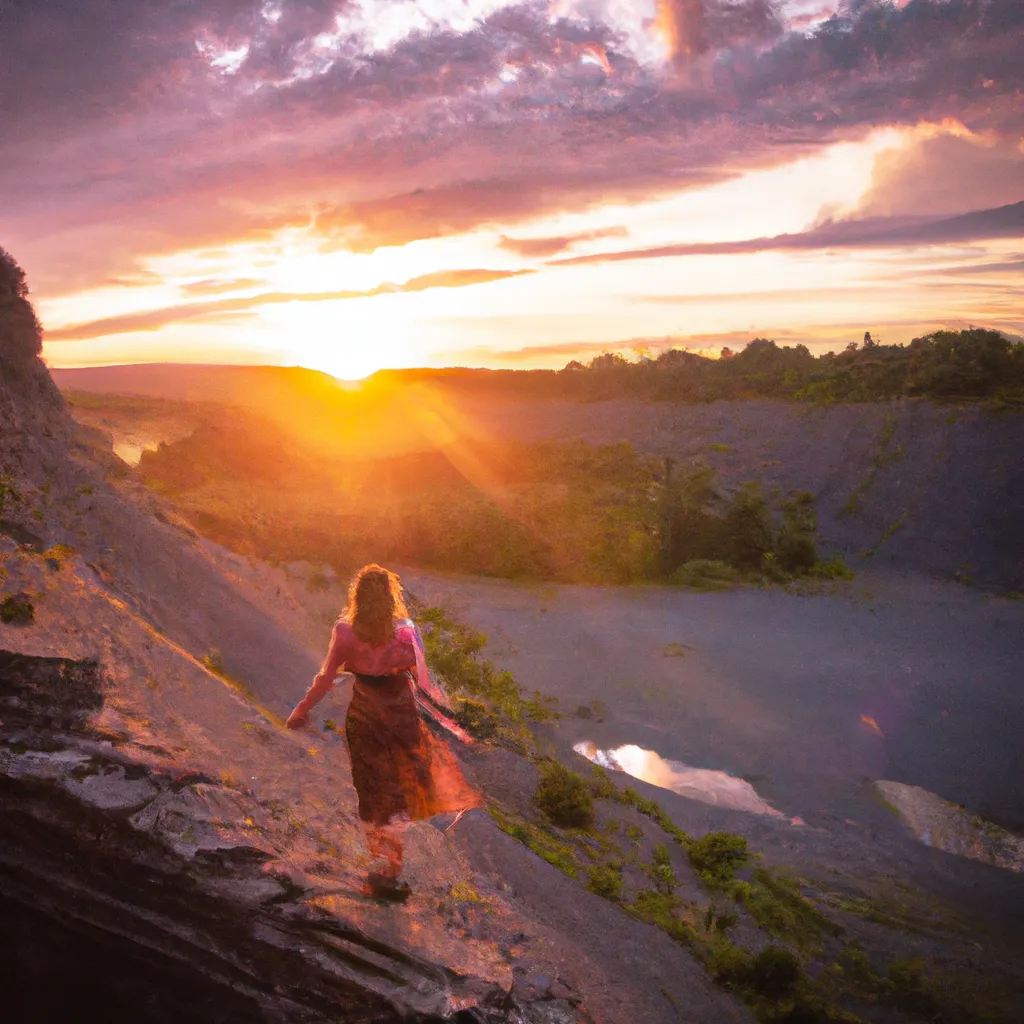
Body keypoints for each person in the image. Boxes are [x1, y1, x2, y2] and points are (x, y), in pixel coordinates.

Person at [286, 564, 479, 901]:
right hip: (401, 717)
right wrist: (454, 725)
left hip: (365, 718)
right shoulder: (406, 632)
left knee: (371, 788)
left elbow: (326, 678)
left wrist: (301, 710)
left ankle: (380, 861)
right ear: (392, 598)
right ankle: (393, 864)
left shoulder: (345, 632)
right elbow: (424, 684)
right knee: (399, 789)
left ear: (357, 597)